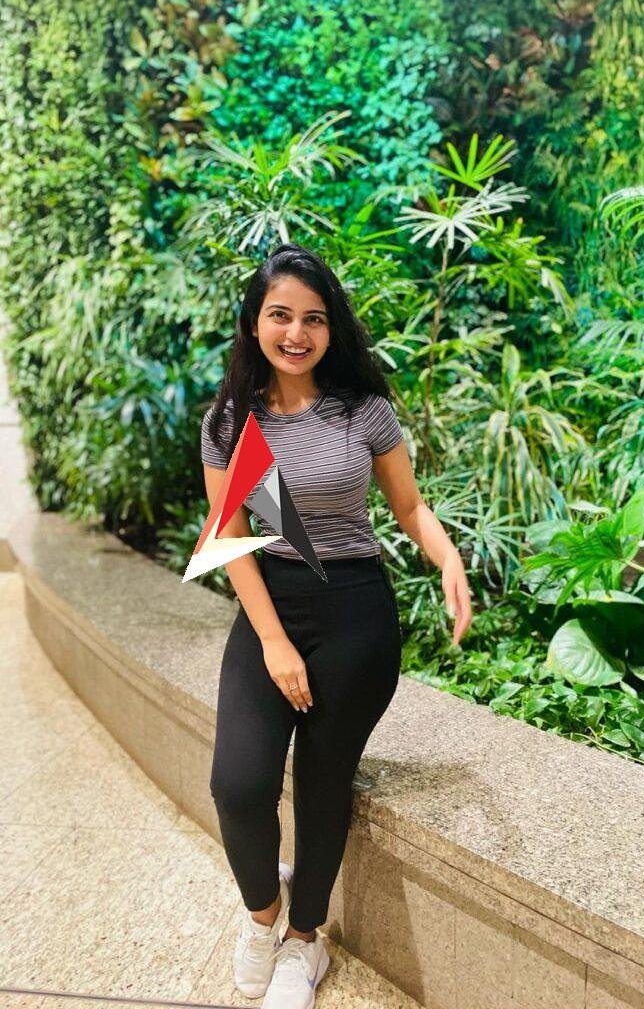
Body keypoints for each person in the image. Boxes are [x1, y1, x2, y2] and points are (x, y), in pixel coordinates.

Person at [200, 242, 473, 1008]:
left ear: (332, 327)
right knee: (238, 785)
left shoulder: (362, 411)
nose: (297, 333)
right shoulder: (232, 421)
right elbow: (228, 536)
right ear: (254, 322)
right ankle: (263, 916)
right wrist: (273, 641)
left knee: (323, 784)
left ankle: (303, 941)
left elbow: (409, 507)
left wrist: (447, 558)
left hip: (355, 611)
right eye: (280, 315)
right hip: (271, 606)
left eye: (313, 318)